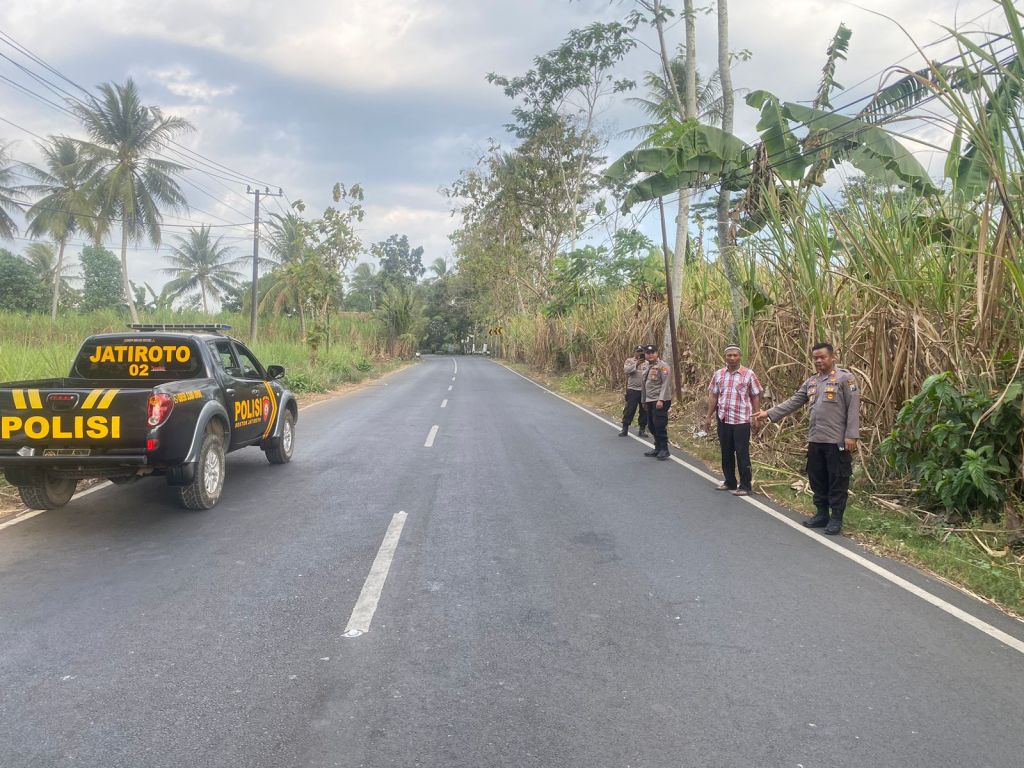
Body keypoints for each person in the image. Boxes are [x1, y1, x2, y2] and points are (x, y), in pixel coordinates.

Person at [754, 342, 860, 535]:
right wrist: (768, 413)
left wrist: (851, 435)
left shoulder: (845, 378)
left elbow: (853, 408)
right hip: (816, 439)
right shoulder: (812, 382)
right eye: (816, 358)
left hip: (836, 441)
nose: (819, 361)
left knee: (838, 479)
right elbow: (794, 401)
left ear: (832, 357)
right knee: (817, 478)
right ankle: (821, 514)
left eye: (823, 357)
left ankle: (836, 518)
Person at [703, 345, 763, 496]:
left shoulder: (748, 374)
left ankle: (745, 485)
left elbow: (755, 396)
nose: (732, 358)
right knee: (726, 451)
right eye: (729, 355)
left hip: (741, 420)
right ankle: (729, 481)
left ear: (740, 356)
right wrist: (709, 416)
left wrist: (756, 417)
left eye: (735, 355)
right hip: (723, 419)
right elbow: (714, 396)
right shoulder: (719, 374)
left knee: (742, 453)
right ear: (725, 357)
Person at [641, 344, 674, 460]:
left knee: (659, 424)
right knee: (651, 425)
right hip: (649, 400)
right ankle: (657, 447)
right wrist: (643, 400)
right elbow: (644, 385)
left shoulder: (663, 366)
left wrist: (661, 399)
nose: (650, 355)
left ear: (657, 354)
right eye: (648, 353)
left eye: (652, 353)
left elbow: (665, 384)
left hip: (660, 400)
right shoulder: (645, 366)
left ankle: (664, 449)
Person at [620, 346, 649, 437]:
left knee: (644, 411)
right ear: (634, 352)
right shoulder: (629, 361)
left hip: (644, 390)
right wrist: (636, 364)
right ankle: (625, 429)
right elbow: (626, 371)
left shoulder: (648, 362)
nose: (639, 353)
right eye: (638, 351)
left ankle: (642, 430)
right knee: (629, 409)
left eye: (641, 351)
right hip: (633, 389)